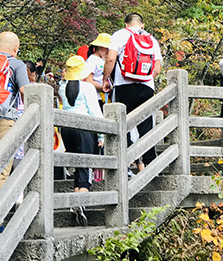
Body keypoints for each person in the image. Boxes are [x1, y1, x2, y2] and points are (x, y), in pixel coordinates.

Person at [102, 13, 162, 171]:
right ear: (142, 25)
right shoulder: (152, 40)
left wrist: (105, 80)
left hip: (123, 85)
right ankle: (150, 166)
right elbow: (157, 69)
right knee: (146, 126)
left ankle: (123, 164)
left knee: (122, 124)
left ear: (126, 24)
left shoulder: (120, 35)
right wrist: (145, 78)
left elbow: (110, 59)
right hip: (147, 86)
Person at [58, 56, 104, 226]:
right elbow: (95, 112)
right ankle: (80, 202)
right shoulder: (87, 87)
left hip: (67, 129)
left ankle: (77, 200)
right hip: (84, 129)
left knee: (78, 165)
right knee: (85, 165)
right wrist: (101, 135)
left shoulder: (62, 88)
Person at [0, 32, 30, 197]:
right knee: (1, 170)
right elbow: (24, 90)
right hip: (5, 120)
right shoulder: (17, 64)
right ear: (16, 48)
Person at [84, 33, 112, 108]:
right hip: (96, 97)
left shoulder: (103, 60)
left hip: (105, 97)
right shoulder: (92, 60)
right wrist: (102, 88)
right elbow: (89, 80)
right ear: (100, 46)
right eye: (107, 48)